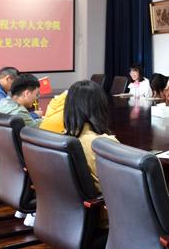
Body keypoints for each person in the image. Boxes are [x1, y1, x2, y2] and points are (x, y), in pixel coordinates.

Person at [64, 80, 118, 228]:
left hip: (70, 217)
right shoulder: (104, 144)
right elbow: (121, 187)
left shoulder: (63, 139)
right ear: (100, 107)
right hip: (108, 219)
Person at [0, 74, 43, 174]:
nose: (37, 97)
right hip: (5, 166)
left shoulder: (3, 102)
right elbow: (38, 132)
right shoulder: (19, 112)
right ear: (27, 93)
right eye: (37, 94)